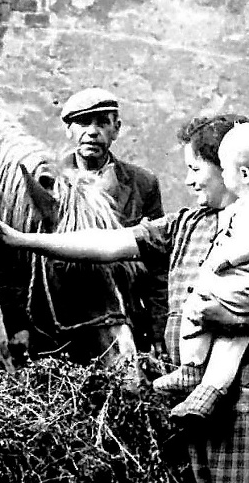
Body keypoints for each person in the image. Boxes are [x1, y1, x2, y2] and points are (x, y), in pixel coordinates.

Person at [0, 113, 249, 483]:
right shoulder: (186, 224)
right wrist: (25, 240)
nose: (188, 180)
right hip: (191, 392)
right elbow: (107, 244)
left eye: (194, 169)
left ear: (231, 170)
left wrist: (237, 318)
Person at [152, 122, 249, 425]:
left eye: (197, 169)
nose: (189, 181)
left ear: (241, 173)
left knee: (204, 309)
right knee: (224, 332)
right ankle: (206, 386)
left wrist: (224, 261)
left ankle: (195, 372)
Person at [58, 87, 167, 351]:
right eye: (83, 122)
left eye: (102, 123)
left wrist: (157, 330)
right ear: (69, 130)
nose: (92, 132)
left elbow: (158, 264)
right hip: (67, 318)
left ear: (116, 129)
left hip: (126, 314)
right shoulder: (51, 182)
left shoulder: (143, 183)